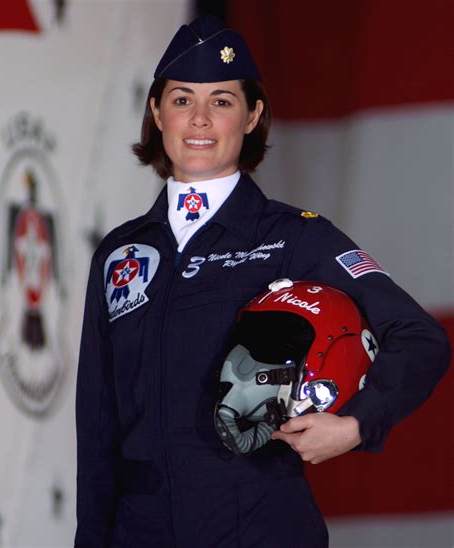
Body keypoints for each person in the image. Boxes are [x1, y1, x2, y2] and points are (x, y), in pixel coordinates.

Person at [75, 15, 450, 548]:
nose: (199, 119)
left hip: (258, 523)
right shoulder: (120, 254)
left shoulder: (295, 238)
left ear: (252, 116)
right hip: (140, 530)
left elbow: (420, 338)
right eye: (182, 99)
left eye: (222, 101)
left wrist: (356, 425)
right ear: (157, 112)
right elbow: (97, 427)